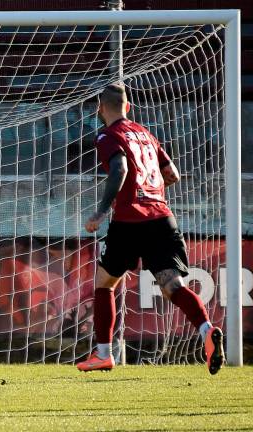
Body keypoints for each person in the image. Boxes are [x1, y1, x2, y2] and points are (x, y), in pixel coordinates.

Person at [76, 84, 224, 374]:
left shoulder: (107, 135)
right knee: (173, 286)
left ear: (99, 108)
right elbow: (172, 175)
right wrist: (150, 190)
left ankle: (104, 353)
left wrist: (103, 209)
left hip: (129, 220)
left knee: (104, 282)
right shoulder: (145, 134)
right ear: (128, 107)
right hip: (161, 217)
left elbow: (120, 169)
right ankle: (206, 329)